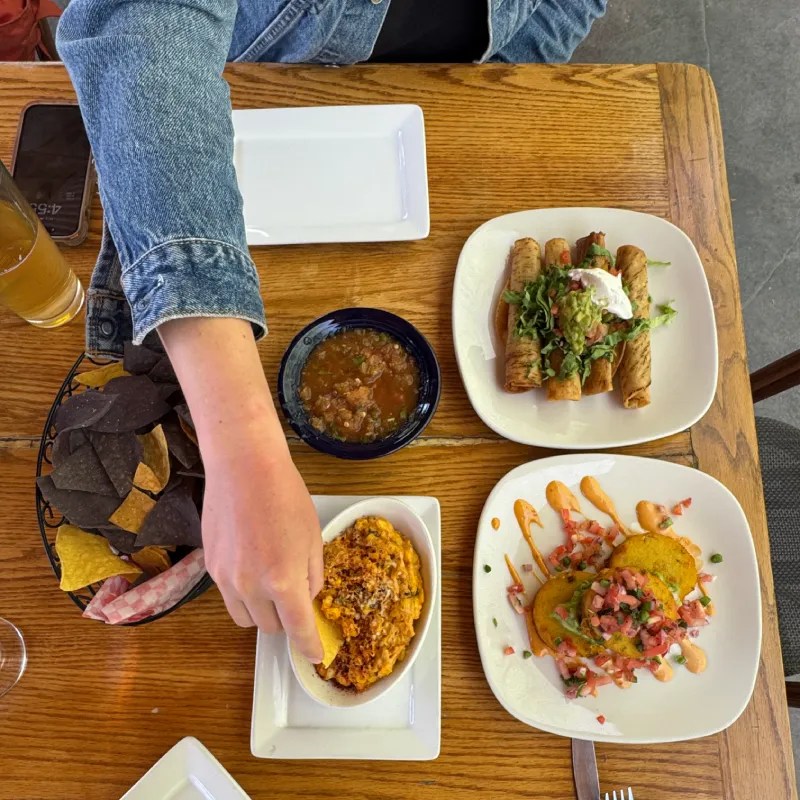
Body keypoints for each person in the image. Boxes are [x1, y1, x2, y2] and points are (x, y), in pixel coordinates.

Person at [55, 0, 607, 662]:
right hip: (247, 83)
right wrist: (248, 447)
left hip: (485, 67)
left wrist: (506, 86)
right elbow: (143, 25)